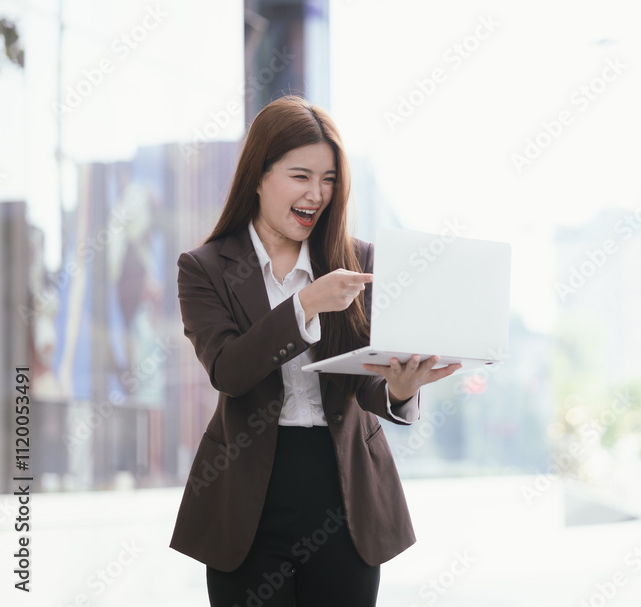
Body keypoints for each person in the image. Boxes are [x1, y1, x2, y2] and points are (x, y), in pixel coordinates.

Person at [168, 94, 461, 605]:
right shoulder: (205, 268)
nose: (317, 194)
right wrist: (305, 304)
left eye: (328, 179)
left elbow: (363, 382)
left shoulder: (358, 261)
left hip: (344, 492)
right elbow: (229, 370)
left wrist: (398, 390)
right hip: (246, 499)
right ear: (258, 177)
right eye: (300, 176)